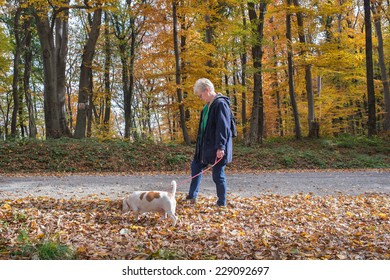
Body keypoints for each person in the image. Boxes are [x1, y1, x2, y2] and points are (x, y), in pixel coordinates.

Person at [186, 78, 233, 207]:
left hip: (217, 146)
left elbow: (223, 127)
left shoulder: (220, 104)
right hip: (205, 147)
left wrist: (221, 147)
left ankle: (221, 203)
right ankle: (191, 196)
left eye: (201, 95)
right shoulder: (206, 107)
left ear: (207, 90)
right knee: (196, 166)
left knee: (217, 175)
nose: (200, 98)